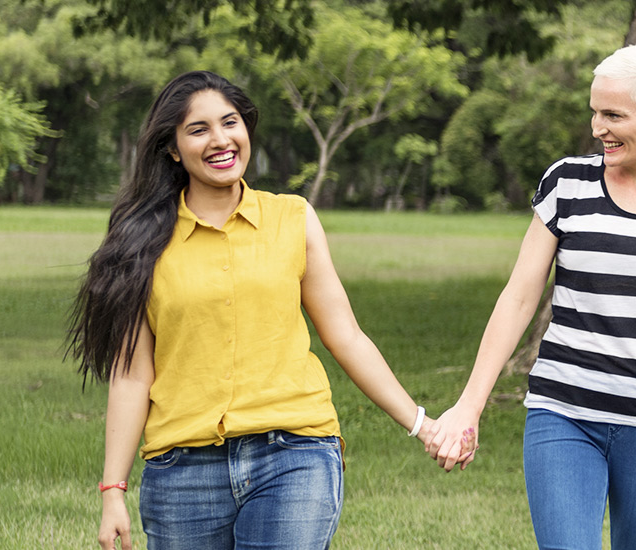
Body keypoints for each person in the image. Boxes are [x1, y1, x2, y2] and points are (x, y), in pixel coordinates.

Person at [69, 71, 439, 550]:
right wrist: (112, 489)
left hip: (294, 454)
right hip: (182, 470)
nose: (220, 140)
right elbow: (132, 375)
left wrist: (421, 422)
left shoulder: (294, 218)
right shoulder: (143, 243)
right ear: (173, 148)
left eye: (230, 123)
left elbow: (345, 334)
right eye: (198, 129)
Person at [424, 45, 636, 549]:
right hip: (563, 410)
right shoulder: (567, 183)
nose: (597, 127)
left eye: (613, 115)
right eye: (594, 112)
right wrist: (468, 406)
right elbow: (520, 297)